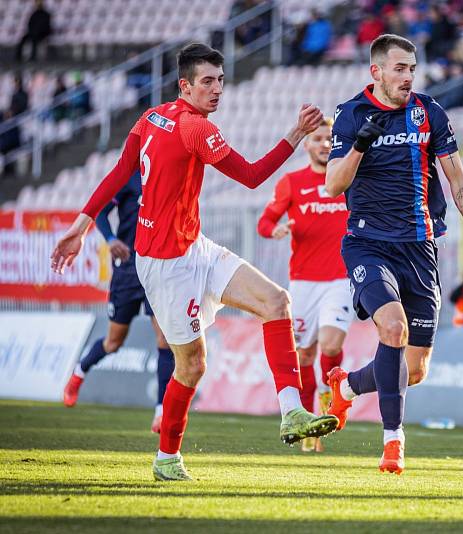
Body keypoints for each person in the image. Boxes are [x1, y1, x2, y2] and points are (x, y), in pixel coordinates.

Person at [50, 43, 338, 482]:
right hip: (166, 265)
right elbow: (253, 176)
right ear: (184, 85)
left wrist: (83, 222)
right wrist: (296, 134)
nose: (217, 89)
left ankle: (292, 411)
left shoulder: (150, 117)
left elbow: (119, 172)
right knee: (192, 366)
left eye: (221, 80)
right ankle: (166, 457)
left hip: (193, 246)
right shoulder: (195, 128)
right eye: (207, 81)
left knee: (276, 302)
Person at [323, 34, 463, 474]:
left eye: (412, 69)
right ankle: (393, 444)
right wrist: (361, 144)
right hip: (368, 243)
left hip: (420, 247)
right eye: (399, 69)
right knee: (393, 327)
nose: (407, 77)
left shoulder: (429, 112)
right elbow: (333, 185)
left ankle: (345, 389)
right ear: (376, 72)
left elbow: (457, 179)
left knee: (415, 369)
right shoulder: (350, 115)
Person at [256, 117, 353, 453]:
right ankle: (310, 418)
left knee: (329, 345)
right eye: (318, 139)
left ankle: (331, 399)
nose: (325, 144)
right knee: (305, 353)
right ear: (308, 145)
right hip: (302, 283)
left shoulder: (348, 178)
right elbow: (264, 222)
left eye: (330, 139)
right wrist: (276, 230)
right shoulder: (292, 182)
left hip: (340, 279)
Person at [62, 171, 175, 433]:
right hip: (126, 270)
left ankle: (161, 412)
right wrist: (111, 239)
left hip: (156, 269)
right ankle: (79, 373)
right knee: (113, 343)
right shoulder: (130, 176)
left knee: (164, 340)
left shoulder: (168, 173)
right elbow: (100, 211)